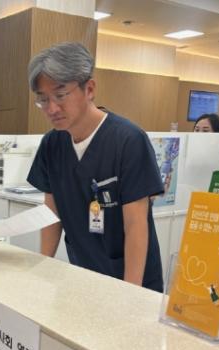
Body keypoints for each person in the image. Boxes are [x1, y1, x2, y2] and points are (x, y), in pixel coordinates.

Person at [26, 42, 164, 292]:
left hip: (131, 278)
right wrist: (42, 268)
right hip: (83, 273)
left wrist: (131, 293)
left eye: (60, 95)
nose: (51, 108)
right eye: (43, 99)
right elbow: (52, 213)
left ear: (89, 89)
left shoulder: (128, 141)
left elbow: (136, 225)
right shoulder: (51, 144)